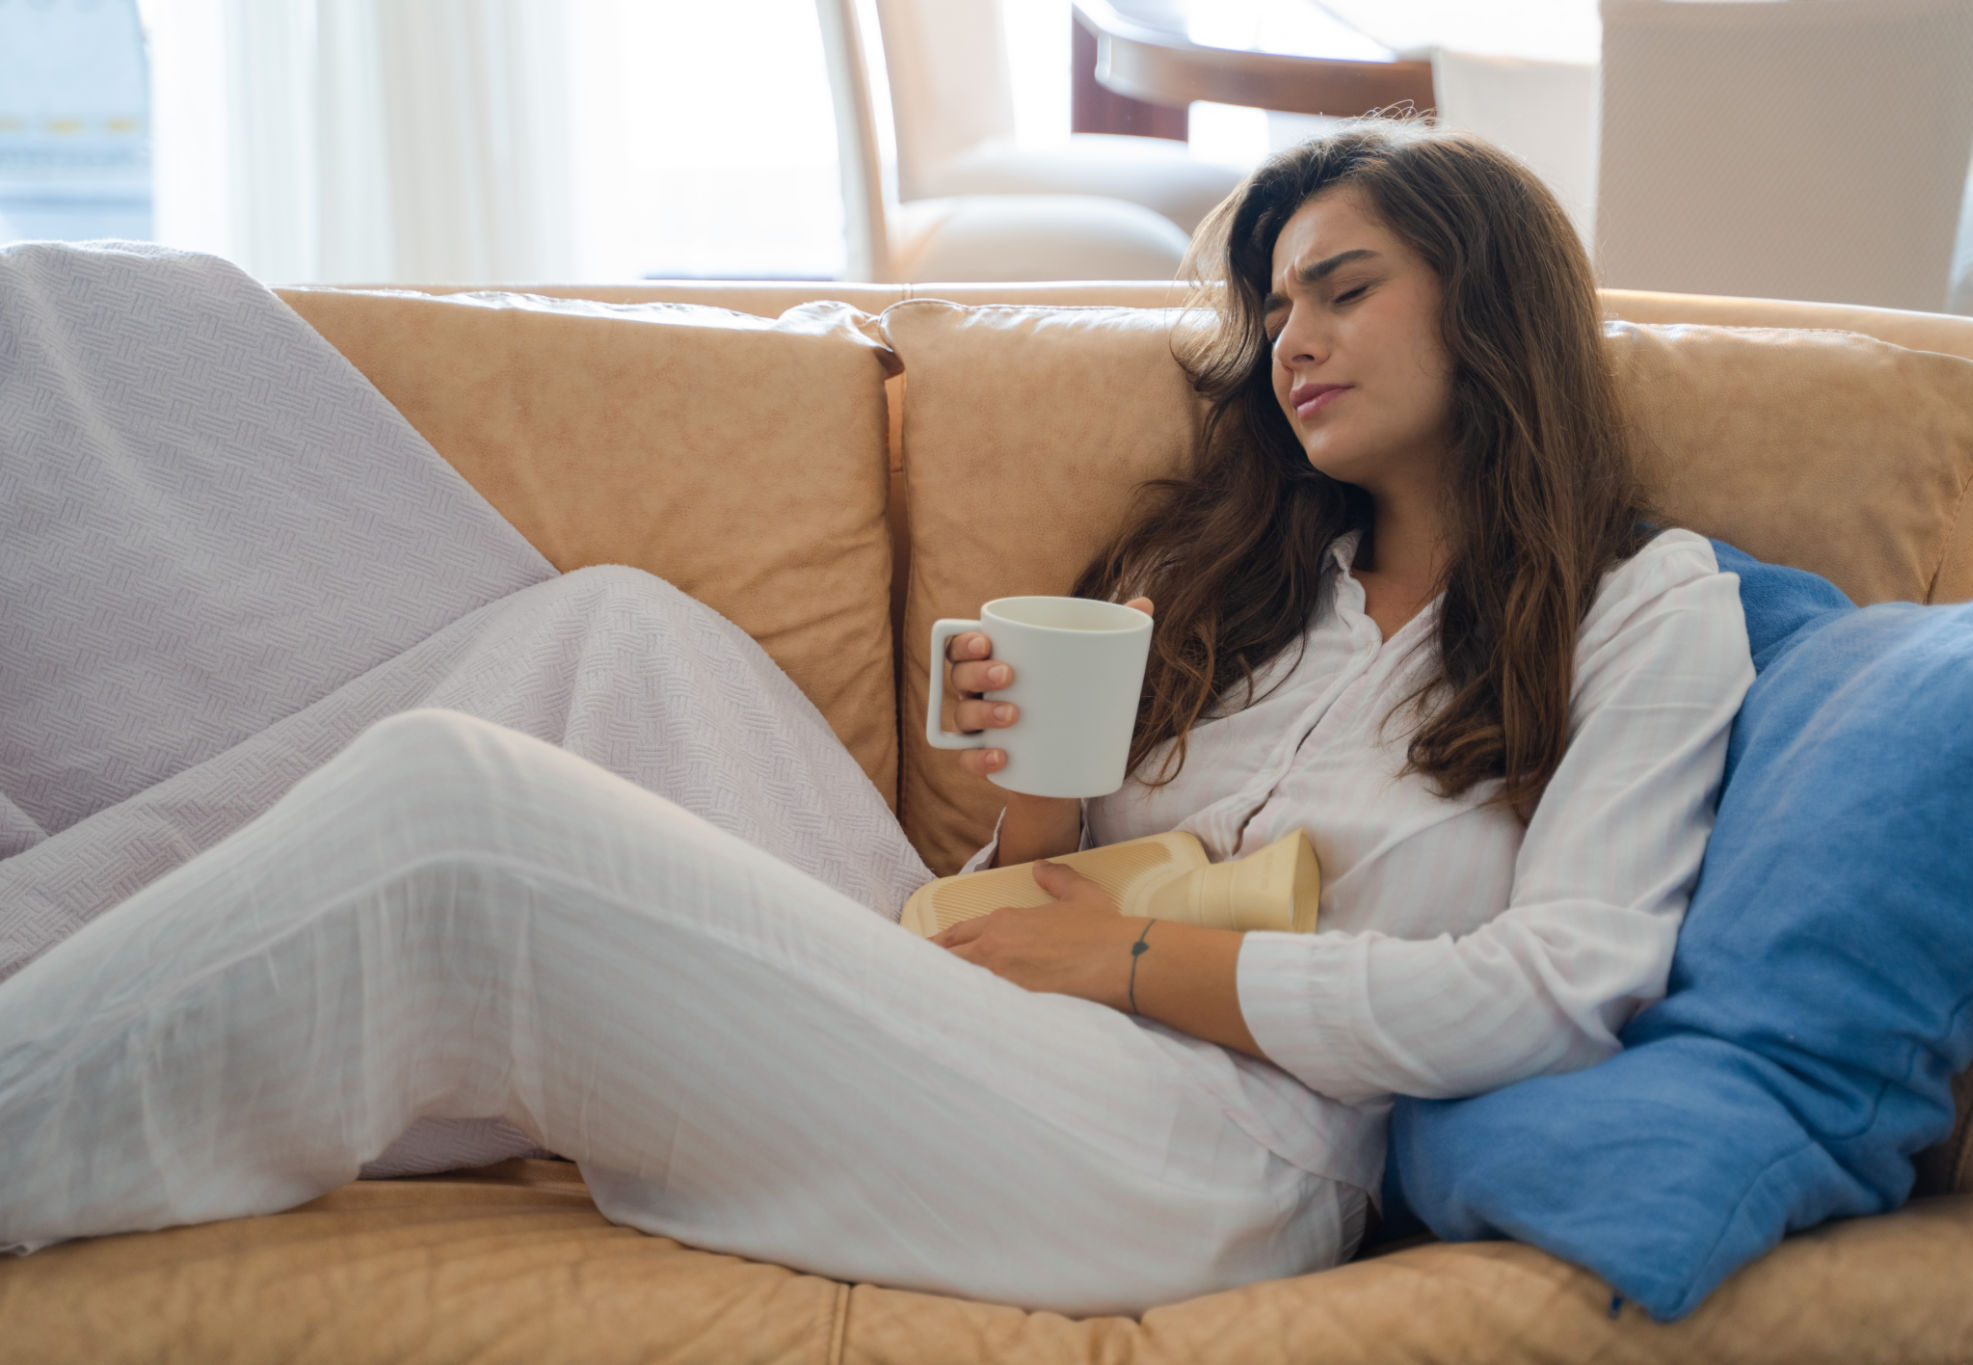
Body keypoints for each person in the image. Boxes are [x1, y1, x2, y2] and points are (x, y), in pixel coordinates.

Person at [0, 116, 1753, 1318]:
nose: (1291, 336)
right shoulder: (1264, 592)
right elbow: (1034, 911)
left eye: (1344, 287)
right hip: (1015, 1022)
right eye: (1277, 300)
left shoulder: (1646, 604)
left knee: (460, 819)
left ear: (1491, 299)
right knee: (617, 635)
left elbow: (1568, 988)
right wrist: (1044, 802)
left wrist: (1135, 969)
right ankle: (48, 939)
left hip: (1222, 1152)